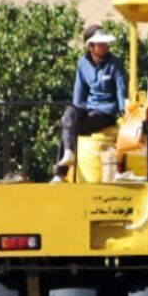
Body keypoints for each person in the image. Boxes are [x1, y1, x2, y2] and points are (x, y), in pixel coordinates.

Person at [52, 24, 127, 182]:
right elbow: (78, 95)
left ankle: (60, 173)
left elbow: (121, 90)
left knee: (69, 128)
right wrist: (74, 113)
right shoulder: (82, 63)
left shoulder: (115, 63)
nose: (105, 46)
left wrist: (124, 113)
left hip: (106, 112)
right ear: (90, 47)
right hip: (88, 109)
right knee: (69, 117)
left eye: (105, 43)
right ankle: (68, 155)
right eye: (101, 43)